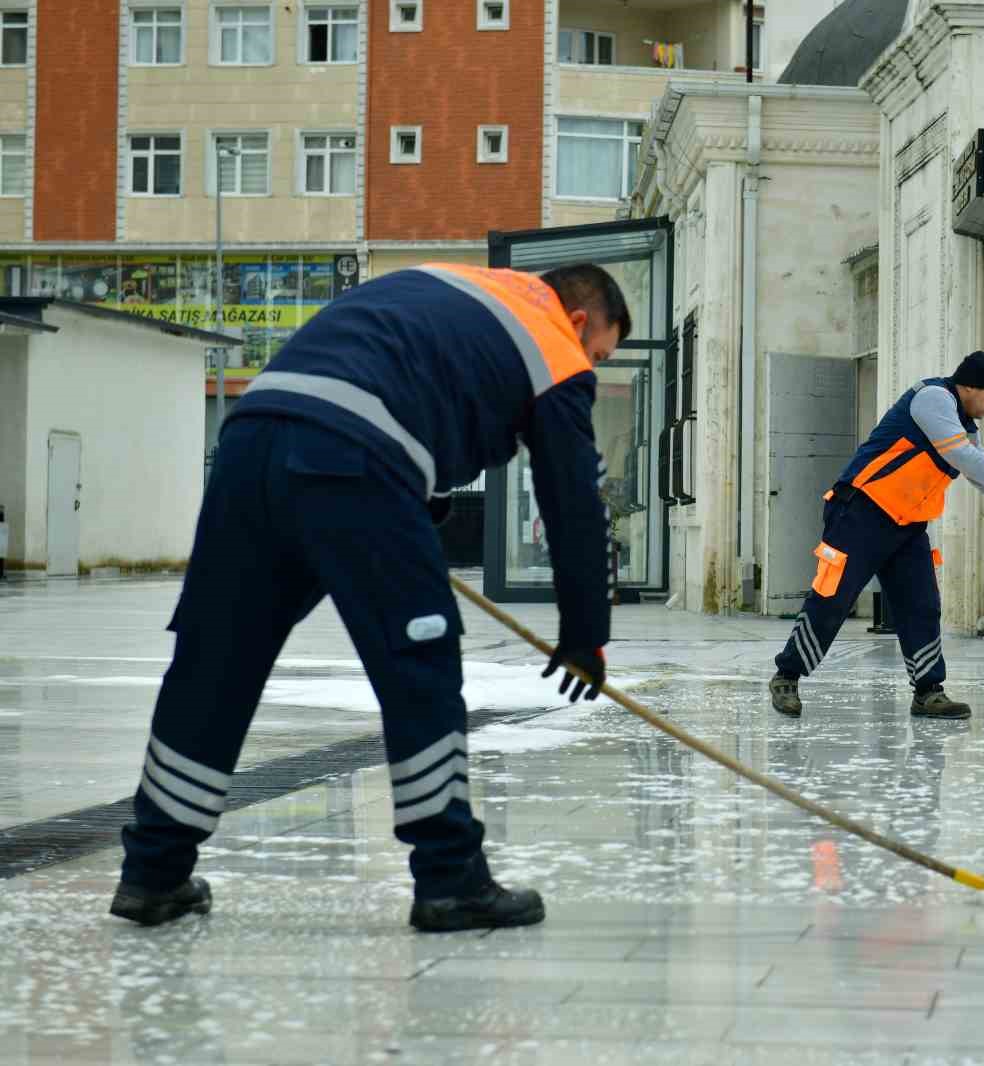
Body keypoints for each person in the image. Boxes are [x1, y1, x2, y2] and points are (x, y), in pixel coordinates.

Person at [110, 262, 629, 932]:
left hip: (253, 433)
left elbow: (412, 380)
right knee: (420, 664)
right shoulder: (554, 345)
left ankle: (153, 873)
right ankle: (450, 879)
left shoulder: (455, 286)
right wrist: (586, 633)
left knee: (216, 663)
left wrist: (417, 500)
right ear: (581, 320)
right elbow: (574, 504)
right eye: (600, 355)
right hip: (353, 453)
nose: (591, 369)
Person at [770, 350, 984, 720]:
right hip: (862, 511)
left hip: (908, 524)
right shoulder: (932, 399)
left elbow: (983, 478)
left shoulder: (966, 428)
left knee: (922, 604)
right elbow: (963, 458)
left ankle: (929, 692)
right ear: (969, 387)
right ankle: (787, 676)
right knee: (834, 597)